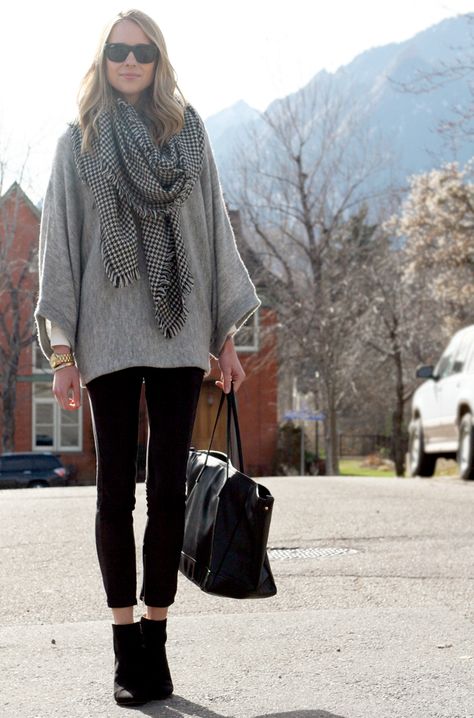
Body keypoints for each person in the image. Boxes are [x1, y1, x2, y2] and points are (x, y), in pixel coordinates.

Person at [35, 9, 260, 707]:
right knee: (113, 493)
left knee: (167, 489)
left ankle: (155, 643)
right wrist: (62, 350)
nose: (129, 61)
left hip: (179, 330)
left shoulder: (190, 135)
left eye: (142, 51)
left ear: (159, 61)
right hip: (105, 333)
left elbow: (213, 231)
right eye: (117, 51)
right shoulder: (80, 142)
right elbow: (62, 246)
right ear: (102, 61)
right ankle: (121, 642)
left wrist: (225, 336)